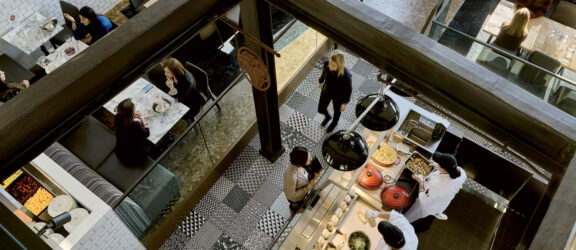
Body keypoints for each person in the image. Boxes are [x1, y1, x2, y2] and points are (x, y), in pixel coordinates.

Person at [403, 152, 467, 232]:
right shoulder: (461, 172)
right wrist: (437, 166)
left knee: (410, 215)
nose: (437, 164)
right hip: (441, 199)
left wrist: (420, 181)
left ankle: (402, 226)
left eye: (439, 164)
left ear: (443, 169)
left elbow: (423, 200)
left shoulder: (438, 185)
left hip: (428, 205)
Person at [317, 50, 352, 133]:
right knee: (321, 109)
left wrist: (344, 103)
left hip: (338, 95)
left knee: (337, 111)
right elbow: (323, 74)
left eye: (333, 65)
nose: (330, 66)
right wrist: (320, 81)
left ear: (339, 66)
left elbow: (348, 90)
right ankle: (328, 116)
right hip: (327, 90)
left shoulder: (346, 75)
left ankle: (334, 122)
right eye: (330, 63)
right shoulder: (326, 65)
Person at [162, 57, 207, 122]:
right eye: (165, 71)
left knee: (167, 113)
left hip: (191, 105)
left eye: (167, 72)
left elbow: (179, 99)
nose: (165, 74)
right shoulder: (176, 74)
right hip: (182, 95)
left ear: (174, 72)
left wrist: (171, 88)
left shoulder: (186, 82)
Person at [114, 98, 154, 166]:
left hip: (120, 153)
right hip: (135, 158)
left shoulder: (117, 117)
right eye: (134, 110)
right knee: (151, 141)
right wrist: (142, 118)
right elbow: (147, 133)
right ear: (132, 113)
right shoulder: (135, 124)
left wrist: (131, 116)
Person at [284, 146, 319, 210]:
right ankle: (294, 207)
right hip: (297, 198)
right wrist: (310, 186)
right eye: (308, 159)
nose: (311, 159)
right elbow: (292, 196)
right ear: (301, 163)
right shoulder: (291, 177)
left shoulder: (299, 164)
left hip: (303, 187)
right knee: (298, 205)